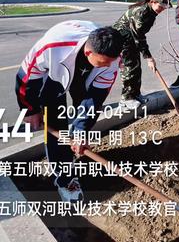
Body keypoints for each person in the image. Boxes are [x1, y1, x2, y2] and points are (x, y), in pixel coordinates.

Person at [15, 21, 123, 201]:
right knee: (56, 124)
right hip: (54, 73)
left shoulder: (111, 61)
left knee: (81, 122)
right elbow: (25, 77)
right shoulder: (52, 48)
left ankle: (73, 141)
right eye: (103, 62)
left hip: (85, 76)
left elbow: (96, 98)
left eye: (110, 62)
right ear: (89, 52)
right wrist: (30, 109)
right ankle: (64, 178)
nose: (108, 66)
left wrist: (81, 130)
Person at [113, 0, 172, 110]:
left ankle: (135, 94)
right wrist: (149, 57)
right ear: (153, 1)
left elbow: (139, 36)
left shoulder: (151, 11)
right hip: (122, 40)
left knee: (136, 67)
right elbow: (138, 37)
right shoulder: (141, 12)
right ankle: (126, 99)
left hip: (131, 39)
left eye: (164, 7)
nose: (162, 9)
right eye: (160, 6)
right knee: (129, 68)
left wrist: (147, 56)